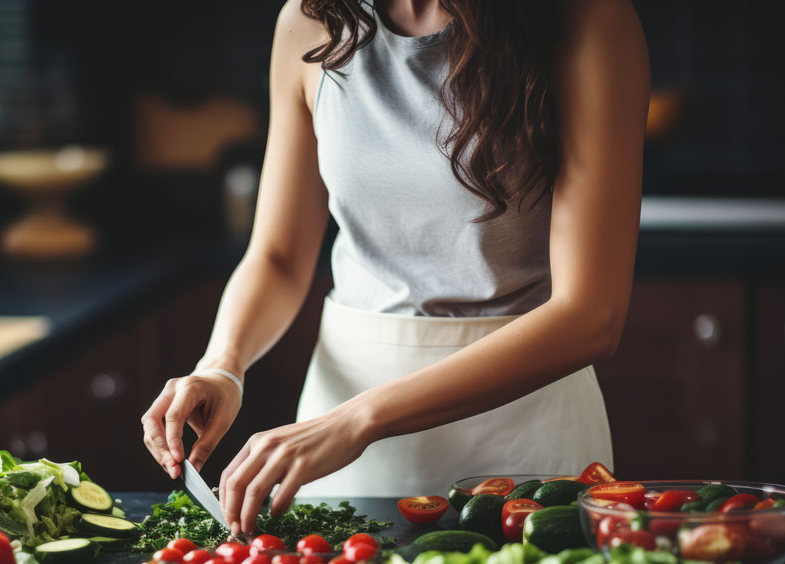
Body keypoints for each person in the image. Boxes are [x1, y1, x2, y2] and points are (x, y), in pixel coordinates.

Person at [142, 0, 650, 536]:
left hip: (525, 438)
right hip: (336, 441)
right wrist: (223, 365)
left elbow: (591, 315)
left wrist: (358, 420)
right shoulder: (311, 21)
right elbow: (278, 256)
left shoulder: (587, 20)